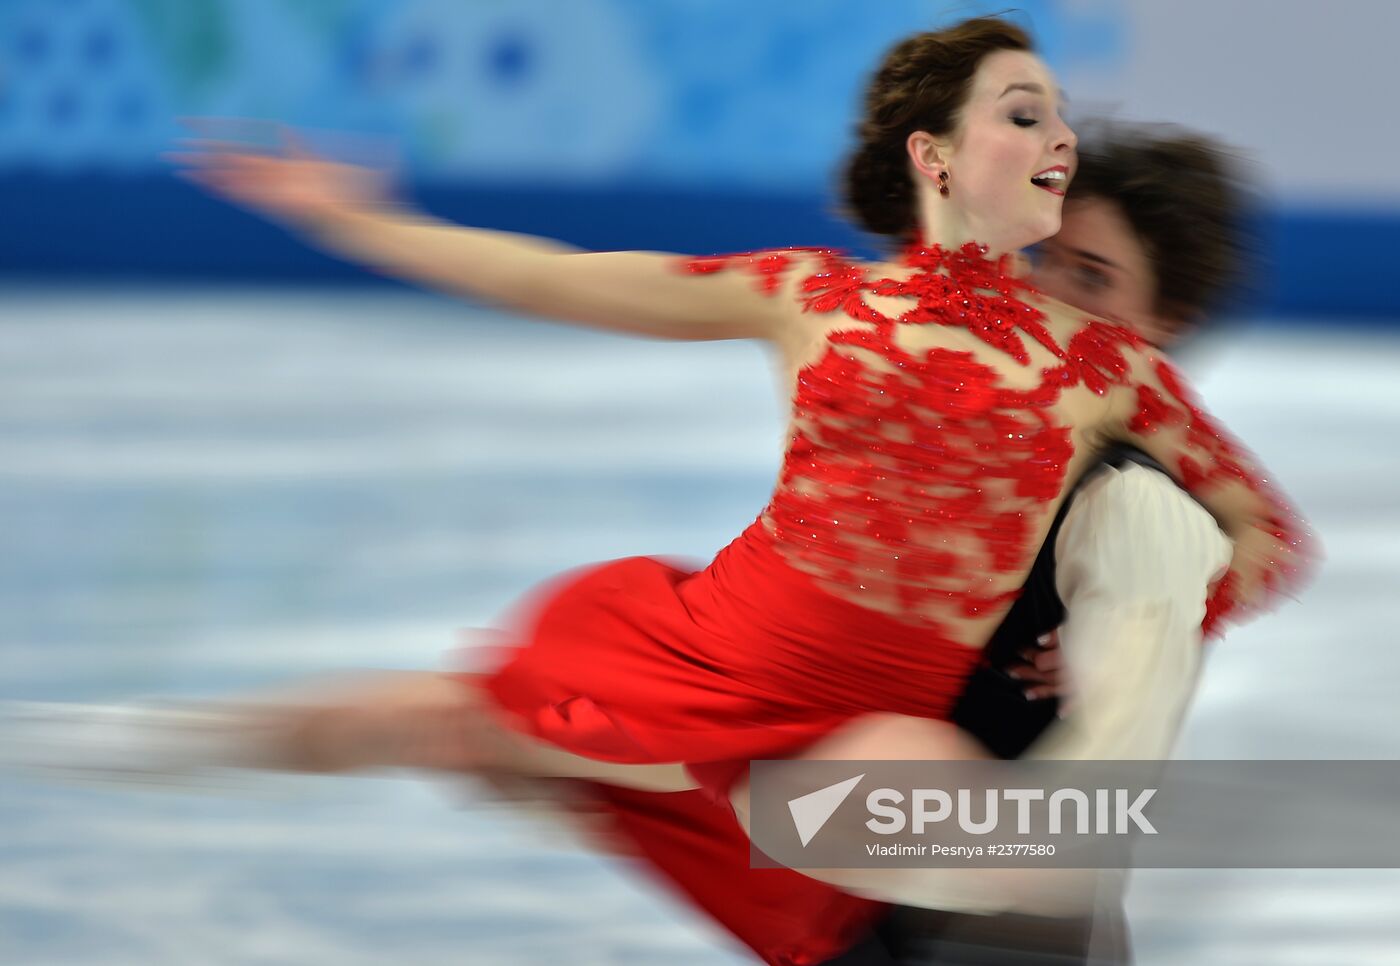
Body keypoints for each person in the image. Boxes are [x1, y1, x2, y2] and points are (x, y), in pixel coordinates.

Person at [5, 16, 1313, 966]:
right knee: (444, 713)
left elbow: (1242, 550)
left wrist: (1159, 623)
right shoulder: (849, 315)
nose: (1042, 290)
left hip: (934, 854)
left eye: (1090, 276)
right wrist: (357, 221)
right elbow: (561, 277)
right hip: (764, 723)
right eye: (1045, 252)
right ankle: (143, 739)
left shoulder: (1136, 460)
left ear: (1167, 321)